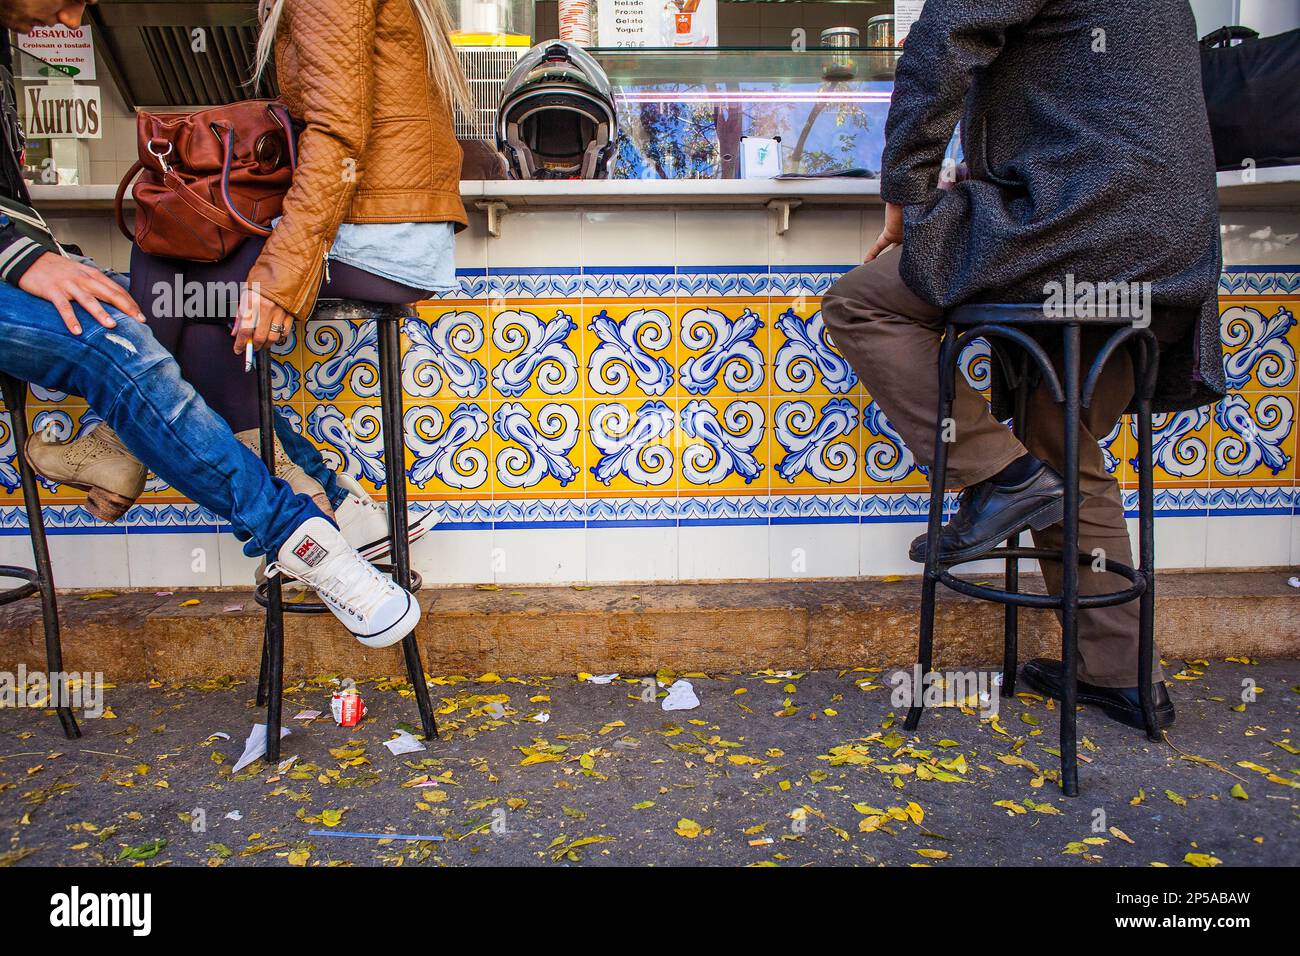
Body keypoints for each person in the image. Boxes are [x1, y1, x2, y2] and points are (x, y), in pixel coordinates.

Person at [820, 0, 1226, 731]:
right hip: (1169, 249)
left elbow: (941, 40)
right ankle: (1119, 673)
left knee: (861, 305)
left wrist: (906, 197)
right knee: (1058, 430)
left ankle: (1003, 480)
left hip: (1079, 223)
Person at [0, 0, 422, 649]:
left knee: (173, 294)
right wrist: (23, 254)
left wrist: (39, 255)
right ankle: (314, 526)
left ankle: (126, 447)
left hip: (381, 233)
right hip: (380, 227)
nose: (76, 12)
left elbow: (336, 139)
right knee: (172, 300)